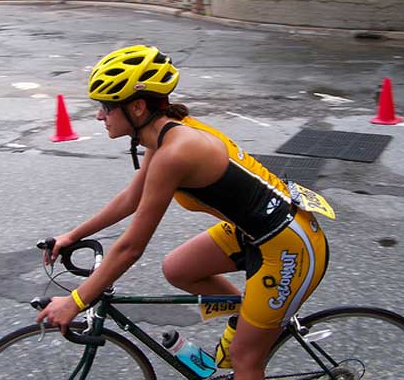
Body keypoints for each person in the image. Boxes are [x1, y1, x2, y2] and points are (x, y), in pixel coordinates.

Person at [36, 45, 330, 380]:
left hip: (290, 246)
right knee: (178, 268)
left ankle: (256, 335)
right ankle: (255, 317)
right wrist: (74, 235)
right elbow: (132, 198)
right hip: (257, 231)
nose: (99, 116)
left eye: (105, 107)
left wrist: (76, 301)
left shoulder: (175, 152)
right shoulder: (163, 135)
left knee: (244, 358)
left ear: (137, 106)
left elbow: (132, 247)